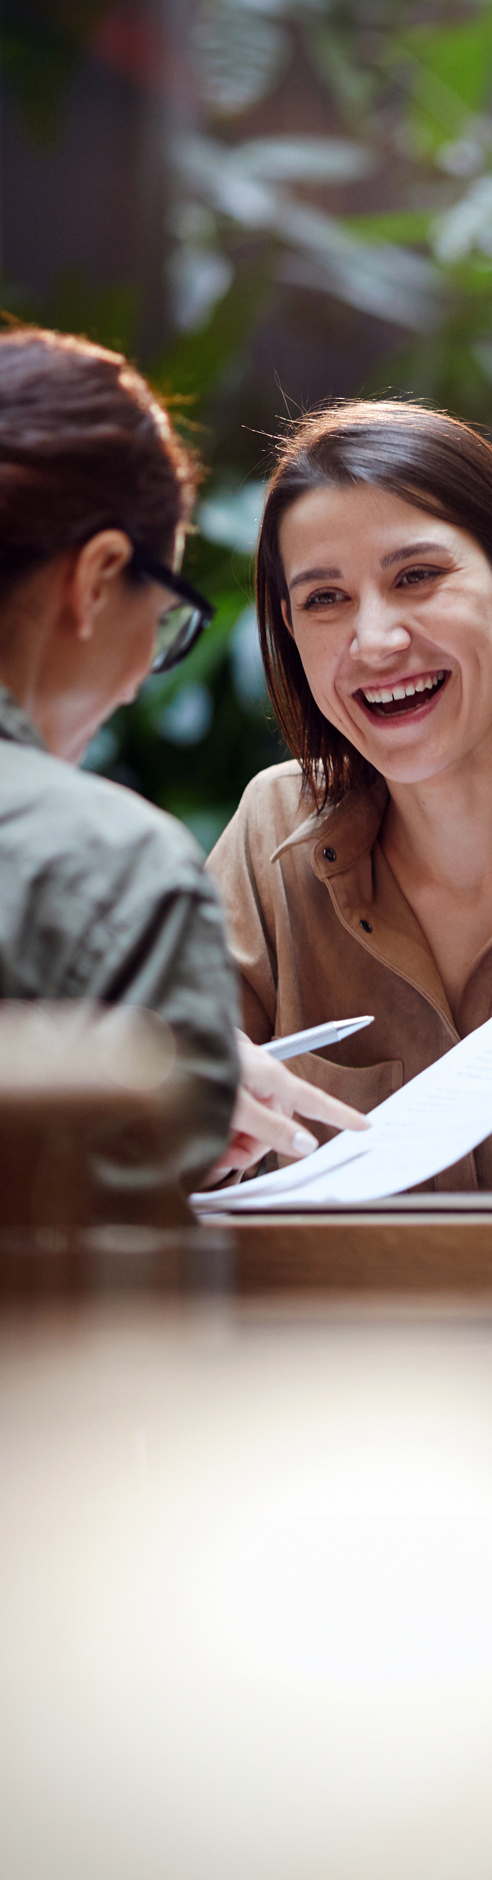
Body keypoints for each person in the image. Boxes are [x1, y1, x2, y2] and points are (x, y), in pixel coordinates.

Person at [0, 325, 364, 1193]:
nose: (136, 686)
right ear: (97, 579)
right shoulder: (103, 864)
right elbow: (118, 1282)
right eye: (163, 618)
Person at [208, 396, 492, 1191]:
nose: (375, 641)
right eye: (324, 599)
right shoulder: (272, 832)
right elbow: (144, 1119)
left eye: (418, 577)